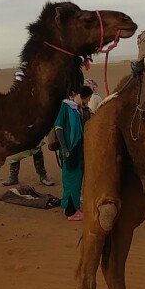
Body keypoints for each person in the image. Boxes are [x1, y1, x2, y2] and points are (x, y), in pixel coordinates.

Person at [52, 89, 86, 222]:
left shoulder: (74, 108)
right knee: (71, 180)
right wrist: (65, 148)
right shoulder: (64, 107)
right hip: (69, 150)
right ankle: (70, 212)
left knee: (76, 179)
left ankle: (74, 207)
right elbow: (58, 128)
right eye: (80, 96)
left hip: (76, 148)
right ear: (73, 95)